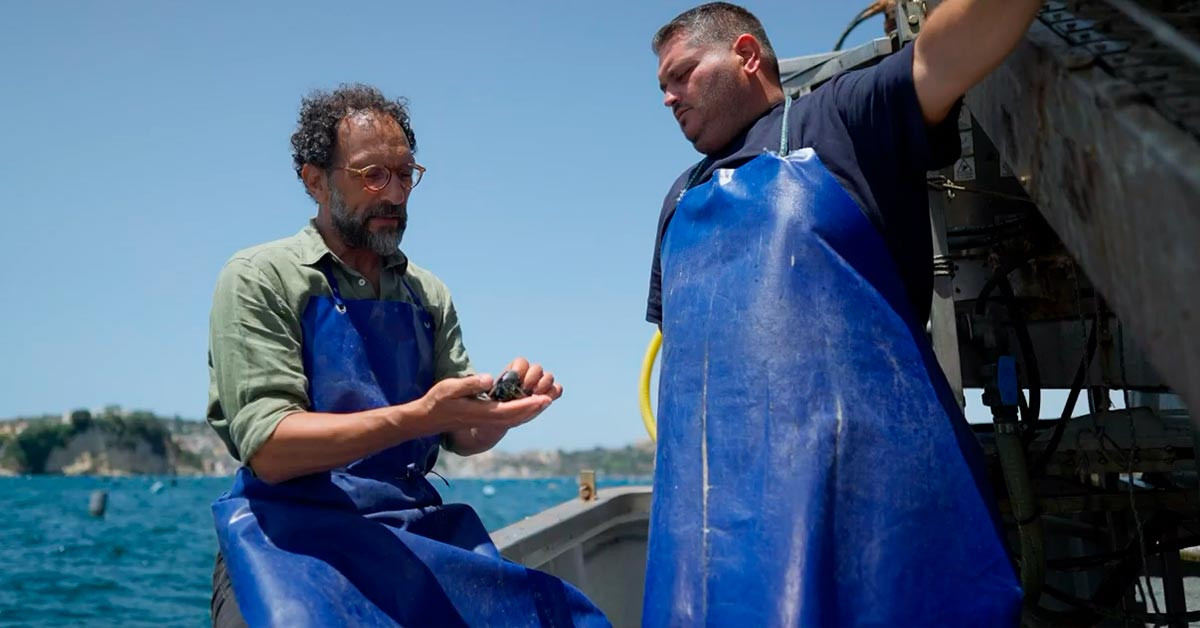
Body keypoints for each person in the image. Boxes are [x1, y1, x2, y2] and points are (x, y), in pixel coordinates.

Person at [643, 2, 1044, 626]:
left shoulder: (839, 118)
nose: (669, 97)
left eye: (683, 74)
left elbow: (950, 51)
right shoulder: (679, 198)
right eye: (662, 85)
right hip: (720, 536)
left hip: (874, 511)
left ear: (747, 55)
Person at [205, 84, 607, 628]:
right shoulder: (260, 278)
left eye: (405, 174)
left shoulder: (426, 293)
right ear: (315, 179)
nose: (394, 193)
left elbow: (460, 436)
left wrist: (500, 414)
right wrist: (421, 416)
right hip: (289, 539)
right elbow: (272, 450)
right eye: (372, 174)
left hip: (409, 530)